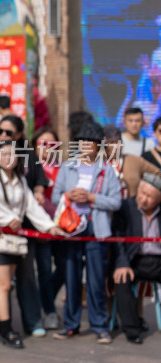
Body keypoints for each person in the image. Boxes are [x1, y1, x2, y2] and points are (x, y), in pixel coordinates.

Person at [0, 142, 67, 348]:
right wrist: (6, 219)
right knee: (4, 284)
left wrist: (50, 227)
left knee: (2, 284)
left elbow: (32, 208)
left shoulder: (20, 180)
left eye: (12, 154)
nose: (8, 157)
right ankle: (7, 329)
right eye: (4, 153)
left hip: (15, 239)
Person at [51, 122, 121, 344]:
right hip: (71, 228)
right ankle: (70, 325)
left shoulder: (106, 169)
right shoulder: (67, 166)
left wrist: (92, 199)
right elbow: (55, 197)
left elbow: (116, 202)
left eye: (89, 142)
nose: (84, 146)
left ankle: (100, 326)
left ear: (97, 145)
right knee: (71, 278)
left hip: (96, 228)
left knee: (95, 280)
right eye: (81, 142)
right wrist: (69, 196)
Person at [0, 115, 49, 337]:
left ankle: (33, 320)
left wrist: (38, 192)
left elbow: (39, 182)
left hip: (25, 229)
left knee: (27, 276)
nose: (2, 136)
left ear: (18, 135)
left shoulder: (28, 156)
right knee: (0, 281)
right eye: (0, 131)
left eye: (8, 133)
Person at [112, 173, 161, 344]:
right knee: (122, 279)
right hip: (134, 260)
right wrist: (122, 264)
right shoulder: (126, 207)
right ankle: (132, 329)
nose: (144, 199)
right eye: (142, 193)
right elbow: (117, 240)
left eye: (150, 197)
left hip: (158, 261)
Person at [31, 126, 65, 331]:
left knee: (63, 268)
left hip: (61, 228)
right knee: (44, 270)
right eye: (42, 143)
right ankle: (50, 311)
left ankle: (44, 297)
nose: (47, 148)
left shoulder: (65, 168)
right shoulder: (30, 168)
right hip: (41, 229)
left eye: (52, 144)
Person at [103, 124, 160, 197]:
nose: (116, 146)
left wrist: (146, 186)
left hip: (131, 206)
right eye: (111, 143)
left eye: (118, 142)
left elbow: (158, 173)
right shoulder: (98, 162)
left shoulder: (134, 160)